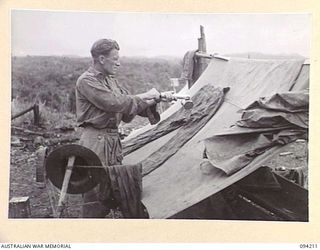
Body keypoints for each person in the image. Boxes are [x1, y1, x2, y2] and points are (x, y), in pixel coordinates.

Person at [75, 38, 173, 217]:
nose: (118, 63)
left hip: (112, 141)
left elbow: (127, 112)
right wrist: (146, 94)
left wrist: (155, 99)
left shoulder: (111, 81)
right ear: (102, 59)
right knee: (95, 193)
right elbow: (114, 103)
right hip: (95, 143)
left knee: (114, 187)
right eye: (115, 59)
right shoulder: (86, 81)